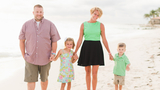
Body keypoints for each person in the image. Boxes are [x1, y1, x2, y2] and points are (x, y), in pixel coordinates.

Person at [19, 4, 61, 90]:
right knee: (30, 80)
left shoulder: (50, 24)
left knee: (44, 79)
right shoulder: (26, 25)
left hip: (46, 58)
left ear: (43, 12)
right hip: (30, 58)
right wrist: (23, 55)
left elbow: (54, 40)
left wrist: (53, 53)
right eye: (37, 12)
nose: (39, 13)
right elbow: (21, 41)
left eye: (40, 12)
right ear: (33, 12)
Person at [73, 7, 113, 90]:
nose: (96, 16)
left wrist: (109, 52)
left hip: (96, 48)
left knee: (94, 73)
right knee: (87, 72)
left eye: (98, 15)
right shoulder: (83, 24)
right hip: (86, 48)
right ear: (91, 13)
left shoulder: (101, 25)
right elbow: (80, 39)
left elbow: (104, 39)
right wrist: (75, 51)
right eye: (95, 13)